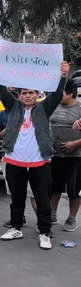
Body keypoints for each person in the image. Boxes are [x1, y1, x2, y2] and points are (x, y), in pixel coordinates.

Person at [0, 58, 69, 250]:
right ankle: (16, 227)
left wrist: (63, 76)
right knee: (16, 197)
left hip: (39, 161)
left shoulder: (44, 108)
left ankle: (44, 232)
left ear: (37, 95)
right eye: (24, 93)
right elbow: (1, 90)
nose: (27, 96)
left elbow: (58, 94)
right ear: (18, 96)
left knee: (43, 198)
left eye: (31, 93)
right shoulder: (12, 106)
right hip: (14, 160)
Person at [0, 106, 36, 228]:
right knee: (15, 191)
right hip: (10, 157)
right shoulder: (3, 114)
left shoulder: (35, 113)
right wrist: (2, 133)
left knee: (35, 193)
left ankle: (42, 222)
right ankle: (19, 219)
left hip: (32, 159)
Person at [49, 79, 81, 232]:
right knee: (54, 187)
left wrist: (74, 143)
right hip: (54, 155)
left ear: (69, 93)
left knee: (74, 189)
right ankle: (52, 214)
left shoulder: (80, 108)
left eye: (59, 93)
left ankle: (71, 218)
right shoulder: (54, 105)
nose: (57, 95)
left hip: (75, 156)